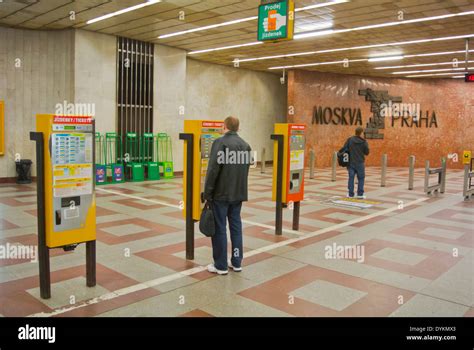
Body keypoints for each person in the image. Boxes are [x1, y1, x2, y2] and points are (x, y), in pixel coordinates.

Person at [203, 116, 252, 275]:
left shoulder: (220, 143)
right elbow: (246, 170)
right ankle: (236, 262)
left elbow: (213, 170)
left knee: (220, 228)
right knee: (236, 227)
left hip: (221, 194)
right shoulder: (245, 146)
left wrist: (208, 192)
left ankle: (221, 265)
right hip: (238, 194)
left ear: (224, 126)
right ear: (237, 128)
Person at [339, 127, 370, 199]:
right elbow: (367, 152)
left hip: (351, 163)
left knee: (351, 178)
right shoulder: (364, 142)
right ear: (361, 133)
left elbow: (344, 148)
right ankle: (360, 194)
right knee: (361, 178)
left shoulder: (350, 140)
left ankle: (350, 194)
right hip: (360, 163)